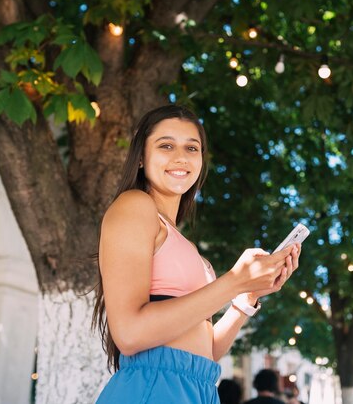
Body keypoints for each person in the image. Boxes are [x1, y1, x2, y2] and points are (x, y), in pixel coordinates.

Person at [92, 105, 301, 404]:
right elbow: (129, 333)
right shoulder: (134, 206)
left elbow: (206, 351)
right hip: (155, 388)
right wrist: (233, 282)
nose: (181, 157)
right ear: (140, 157)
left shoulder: (184, 243)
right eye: (166, 145)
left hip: (199, 389)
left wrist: (246, 298)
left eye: (192, 148)